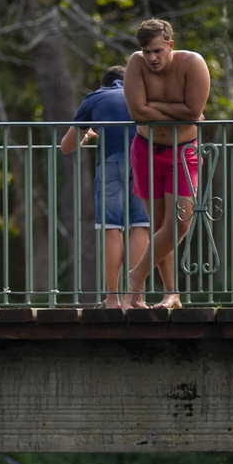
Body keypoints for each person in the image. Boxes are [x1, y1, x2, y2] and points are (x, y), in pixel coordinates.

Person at [122, 18, 211, 310]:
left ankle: (136, 277)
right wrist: (178, 113)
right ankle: (172, 294)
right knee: (159, 225)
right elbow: (138, 112)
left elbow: (194, 110)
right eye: (147, 52)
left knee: (180, 223)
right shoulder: (136, 64)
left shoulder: (193, 63)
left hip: (183, 152)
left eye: (158, 51)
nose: (152, 58)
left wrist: (154, 107)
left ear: (170, 46)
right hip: (145, 149)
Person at [60, 66, 151, 308]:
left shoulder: (96, 97)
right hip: (144, 161)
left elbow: (67, 146)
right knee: (141, 227)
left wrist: (89, 134)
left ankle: (112, 299)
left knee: (112, 228)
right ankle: (135, 298)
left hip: (111, 163)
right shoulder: (144, 93)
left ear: (104, 84)